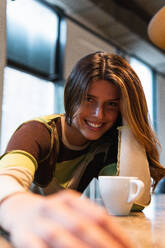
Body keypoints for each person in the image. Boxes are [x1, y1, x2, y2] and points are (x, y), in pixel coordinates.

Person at [0, 51, 165, 248]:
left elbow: (134, 202)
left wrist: (130, 122)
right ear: (72, 95)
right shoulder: (38, 132)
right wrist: (21, 209)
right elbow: (5, 179)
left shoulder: (106, 145)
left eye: (112, 104)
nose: (99, 114)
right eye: (89, 99)